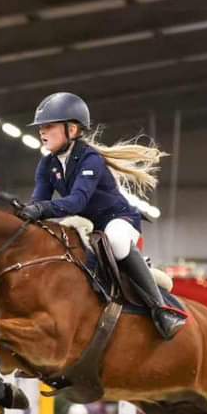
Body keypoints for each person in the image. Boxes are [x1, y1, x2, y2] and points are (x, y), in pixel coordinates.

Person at [16, 92, 187, 339]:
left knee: (116, 241)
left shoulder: (90, 159)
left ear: (72, 129)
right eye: (41, 127)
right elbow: (39, 201)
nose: (42, 132)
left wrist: (41, 210)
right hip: (87, 224)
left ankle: (161, 310)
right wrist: (23, 213)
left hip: (118, 218)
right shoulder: (47, 164)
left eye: (49, 126)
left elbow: (76, 201)